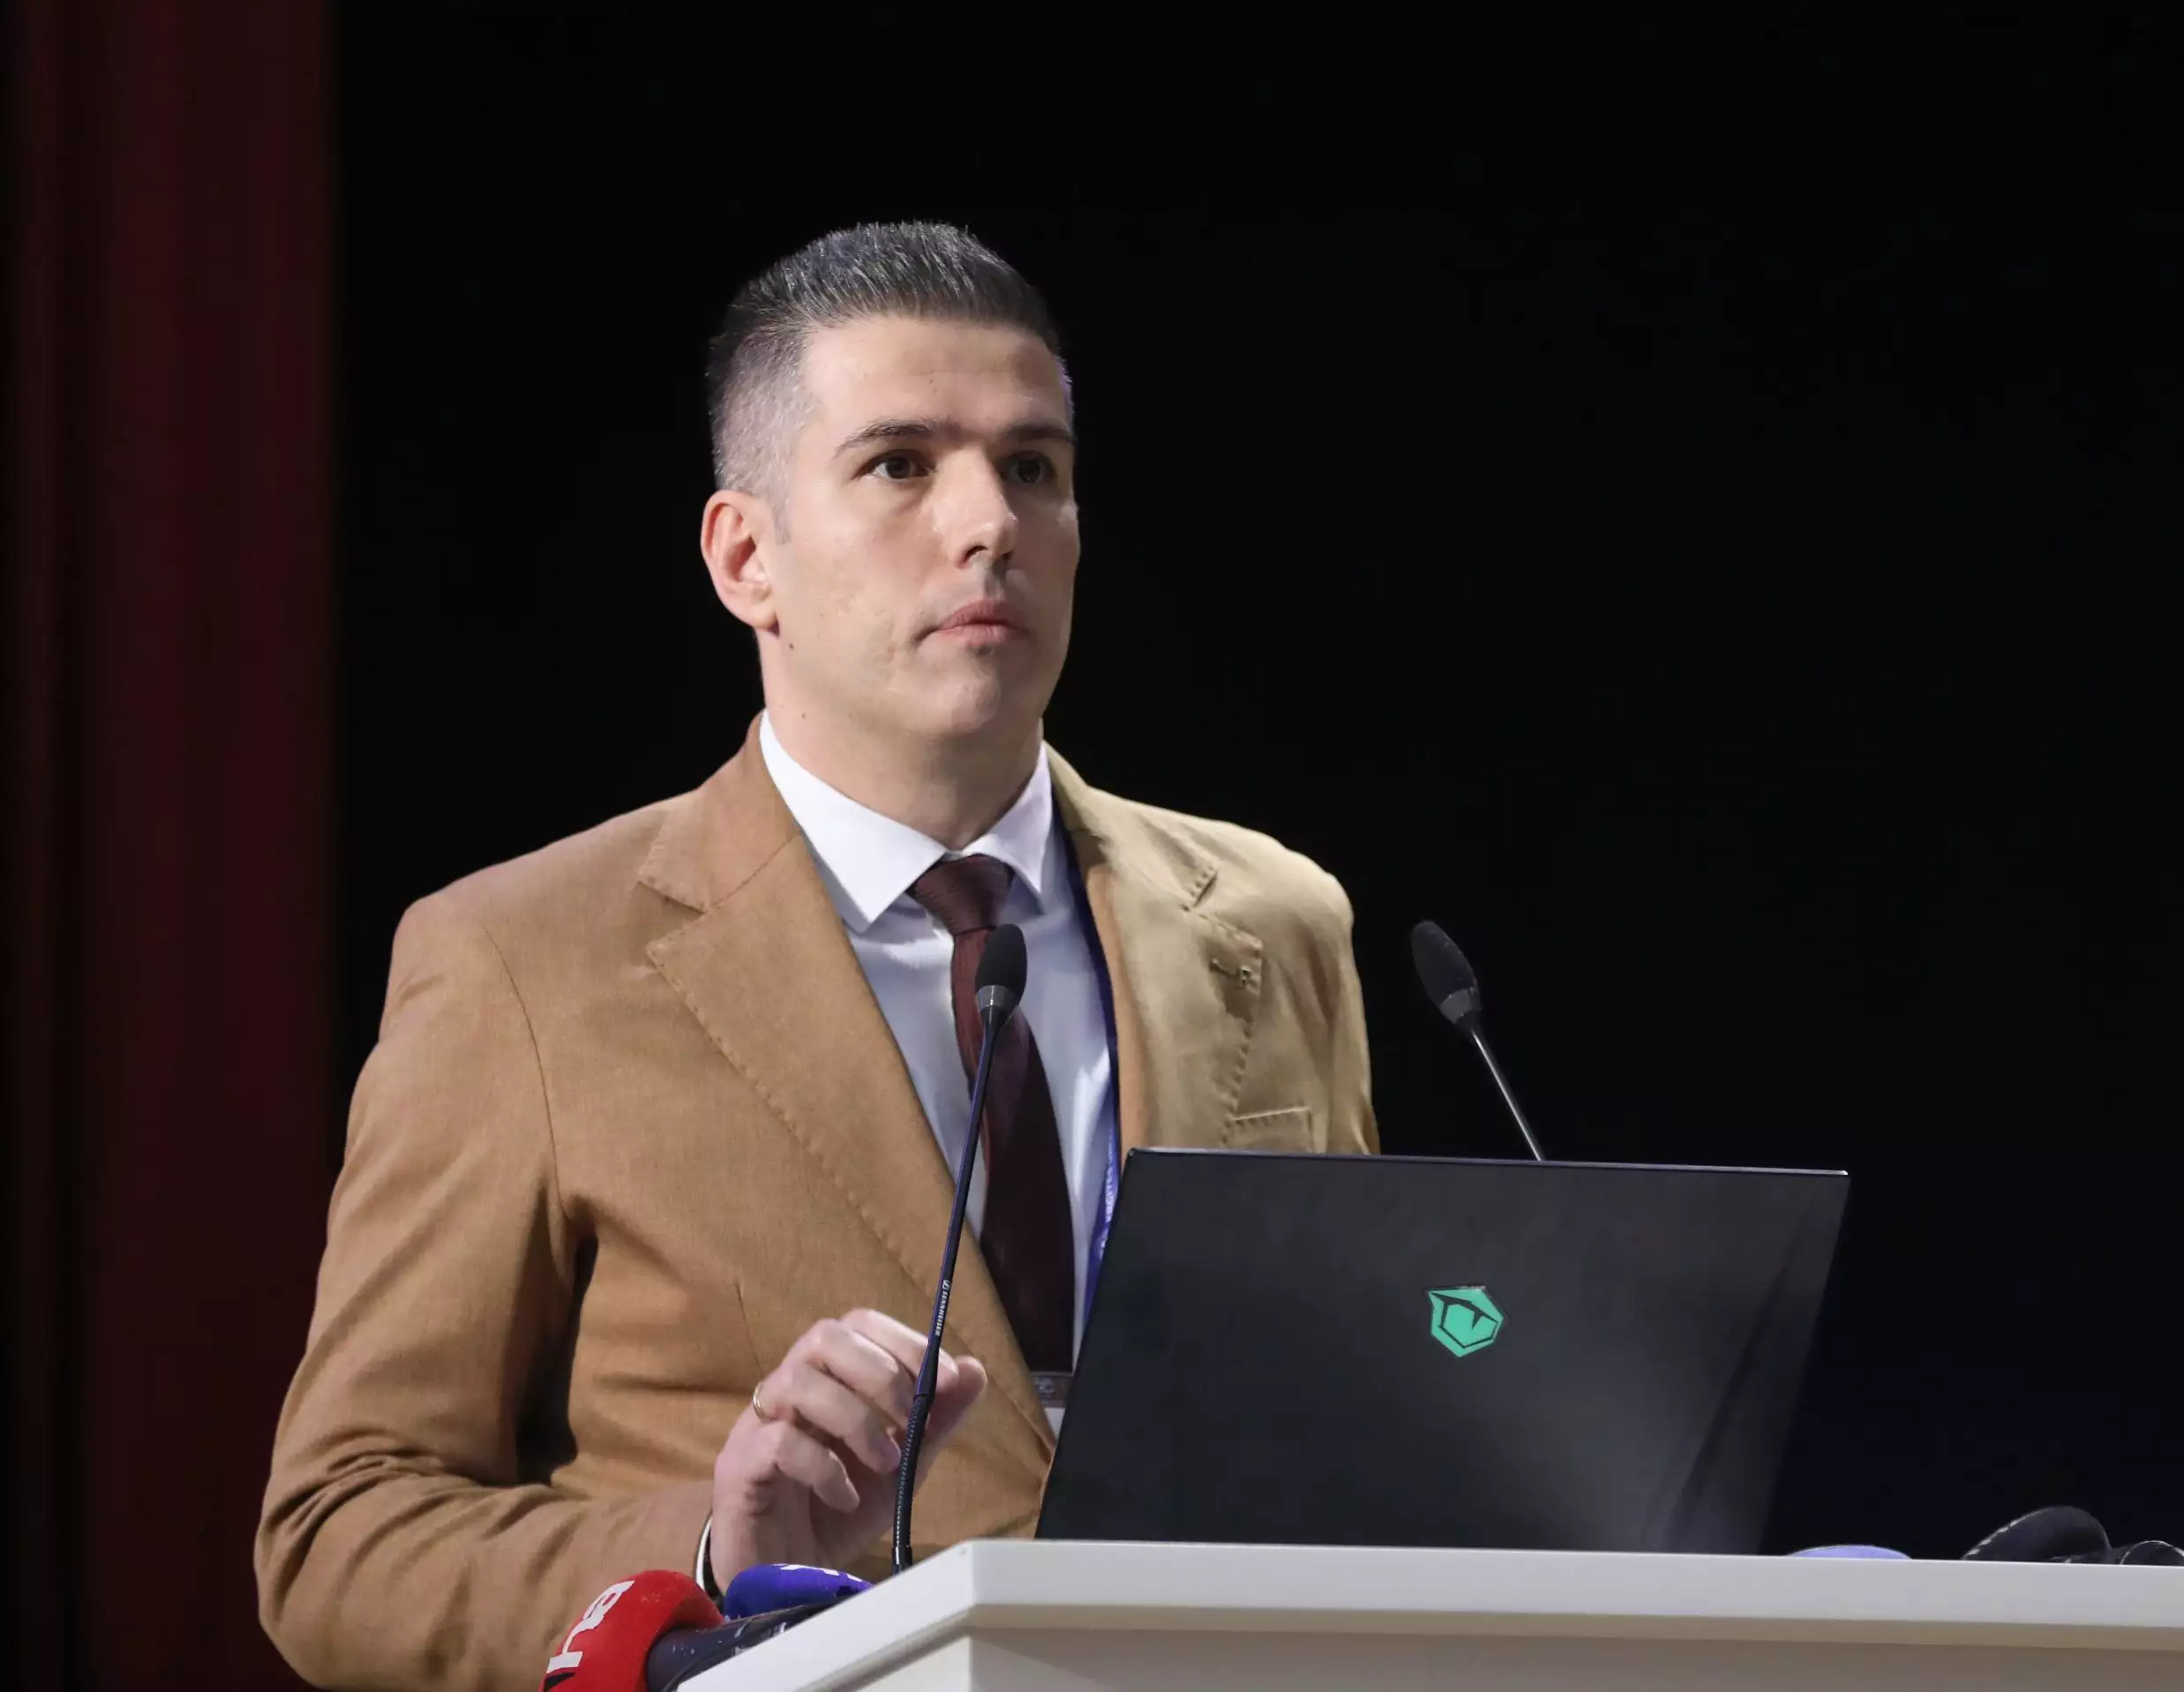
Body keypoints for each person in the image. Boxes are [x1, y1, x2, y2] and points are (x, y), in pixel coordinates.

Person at [255, 222, 1377, 1690]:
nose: (989, 521)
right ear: (747, 558)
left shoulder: (1278, 922)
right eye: (901, 465)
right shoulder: (523, 963)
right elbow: (339, 1536)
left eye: (1033, 467)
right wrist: (710, 1550)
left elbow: (1366, 1423)